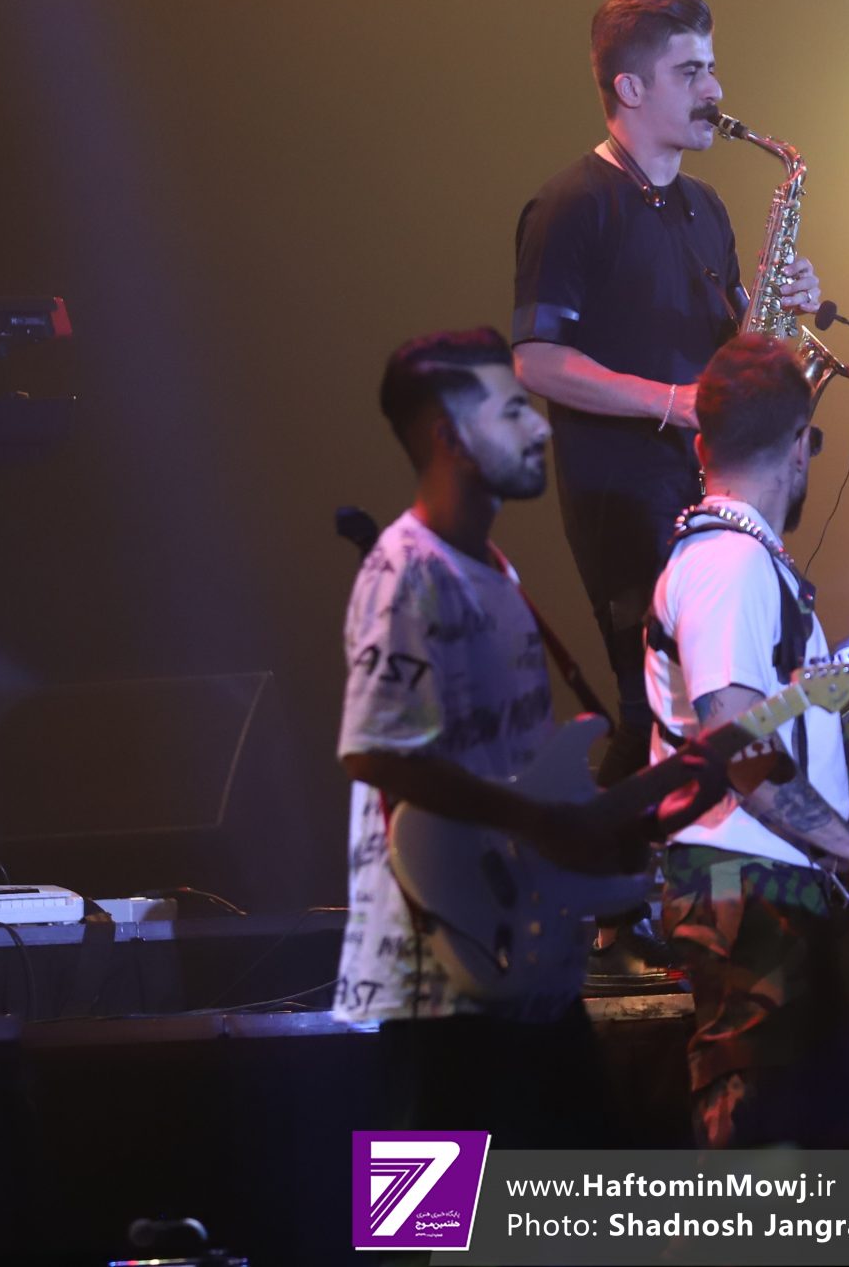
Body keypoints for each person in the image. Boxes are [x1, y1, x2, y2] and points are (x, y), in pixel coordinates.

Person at [648, 334, 849, 1148]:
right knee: (756, 1144)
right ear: (799, 445)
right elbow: (733, 736)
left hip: (766, 884)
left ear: (702, 447)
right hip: (741, 884)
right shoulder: (727, 564)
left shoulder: (740, 560)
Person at [335, 327, 656, 1141]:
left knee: (581, 1205)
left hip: (525, 966)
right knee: (427, 1218)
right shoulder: (406, 570)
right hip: (433, 983)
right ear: (450, 435)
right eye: (513, 410)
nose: (541, 425)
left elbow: (517, 767)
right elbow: (375, 748)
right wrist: (540, 822)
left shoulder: (497, 571)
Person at [512, 0, 822, 786]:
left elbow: (737, 340)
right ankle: (601, 856)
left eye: (712, 67)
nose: (715, 89)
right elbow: (536, 361)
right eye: (691, 72)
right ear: (630, 87)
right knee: (654, 710)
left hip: (708, 491)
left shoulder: (704, 207)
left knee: (718, 705)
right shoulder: (571, 204)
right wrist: (673, 402)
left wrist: (787, 306)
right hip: (625, 498)